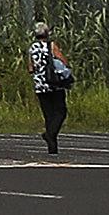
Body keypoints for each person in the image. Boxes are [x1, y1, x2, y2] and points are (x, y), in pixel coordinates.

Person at [29, 24, 73, 156]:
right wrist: (66, 68)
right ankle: (50, 134)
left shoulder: (32, 48)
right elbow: (62, 60)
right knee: (61, 111)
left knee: (48, 114)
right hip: (54, 84)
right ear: (47, 33)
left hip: (40, 85)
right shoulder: (51, 45)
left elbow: (30, 68)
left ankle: (52, 147)